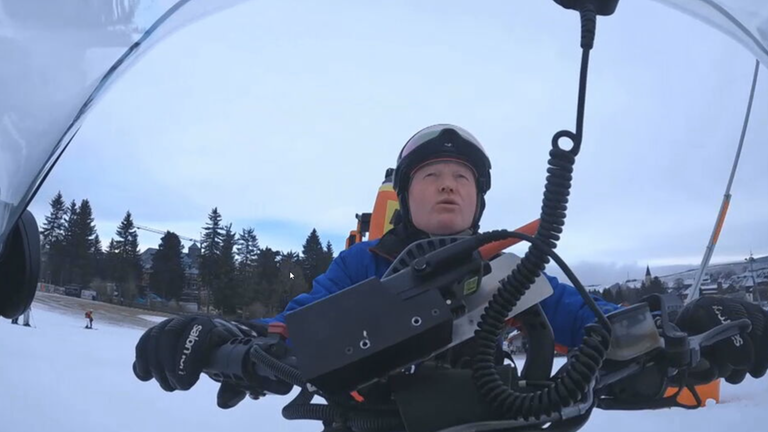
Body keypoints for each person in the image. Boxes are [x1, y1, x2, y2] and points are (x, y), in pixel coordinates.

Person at [132, 124, 768, 409]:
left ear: (479, 198)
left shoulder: (517, 272)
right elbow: (300, 324)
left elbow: (595, 322)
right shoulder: (364, 263)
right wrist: (224, 336)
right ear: (404, 196)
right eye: (430, 176)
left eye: (460, 176)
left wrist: (679, 323)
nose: (446, 186)